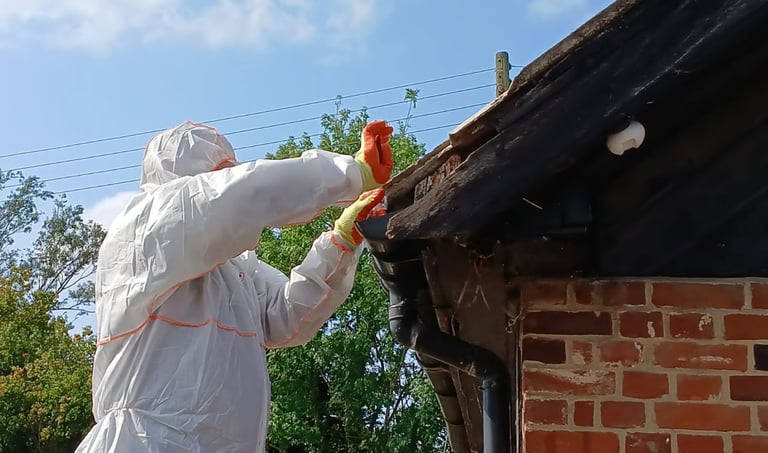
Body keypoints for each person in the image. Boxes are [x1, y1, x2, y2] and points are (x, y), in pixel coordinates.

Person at [75, 119, 395, 452]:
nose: (226, 177)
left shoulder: (236, 271)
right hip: (142, 443)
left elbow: (289, 317)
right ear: (180, 177)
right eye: (218, 172)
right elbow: (237, 196)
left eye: (229, 170)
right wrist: (352, 175)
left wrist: (340, 241)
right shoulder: (141, 231)